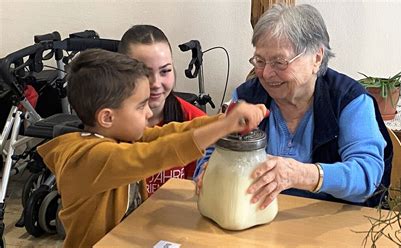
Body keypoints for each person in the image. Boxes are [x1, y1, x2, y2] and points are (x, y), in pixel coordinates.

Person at [36, 49, 267, 247]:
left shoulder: (119, 137)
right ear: (107, 117)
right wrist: (225, 125)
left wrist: (222, 121)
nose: (149, 113)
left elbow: (170, 133)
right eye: (141, 106)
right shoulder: (90, 157)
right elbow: (156, 153)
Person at [197, 3, 393, 208]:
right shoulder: (247, 96)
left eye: (279, 62)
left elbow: (367, 176)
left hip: (332, 225)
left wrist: (300, 175)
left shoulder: (348, 100)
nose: (265, 73)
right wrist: (208, 170)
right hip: (257, 219)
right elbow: (214, 150)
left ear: (316, 58)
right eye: (260, 61)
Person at [118, 25, 212, 195]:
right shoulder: (108, 124)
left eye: (165, 71)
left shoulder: (195, 122)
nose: (155, 83)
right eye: (144, 73)